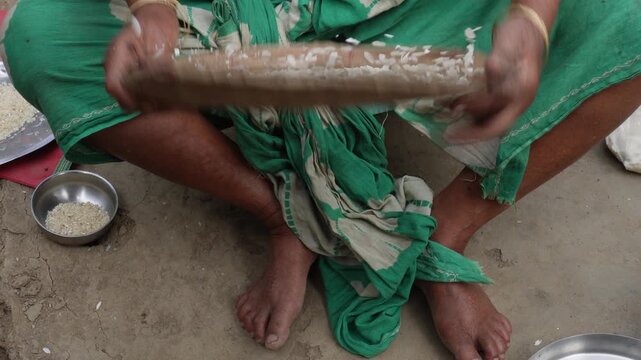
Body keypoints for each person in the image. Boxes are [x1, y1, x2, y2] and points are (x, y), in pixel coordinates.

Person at [2, 0, 640, 359]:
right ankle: (282, 210)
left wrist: (529, 19)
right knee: (40, 38)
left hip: (414, 9)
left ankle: (447, 232)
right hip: (226, 11)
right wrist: (151, 9)